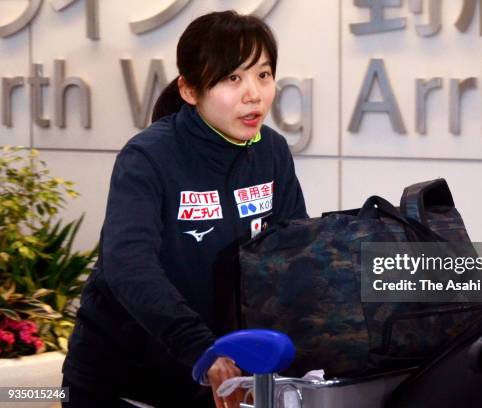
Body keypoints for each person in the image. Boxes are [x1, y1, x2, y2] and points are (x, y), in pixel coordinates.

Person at [61, 10, 308, 408]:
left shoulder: (272, 152)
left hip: (216, 379)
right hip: (121, 381)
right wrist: (200, 347)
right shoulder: (148, 157)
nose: (254, 94)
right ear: (190, 90)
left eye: (263, 75)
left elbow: (292, 255)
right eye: (232, 78)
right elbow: (129, 265)